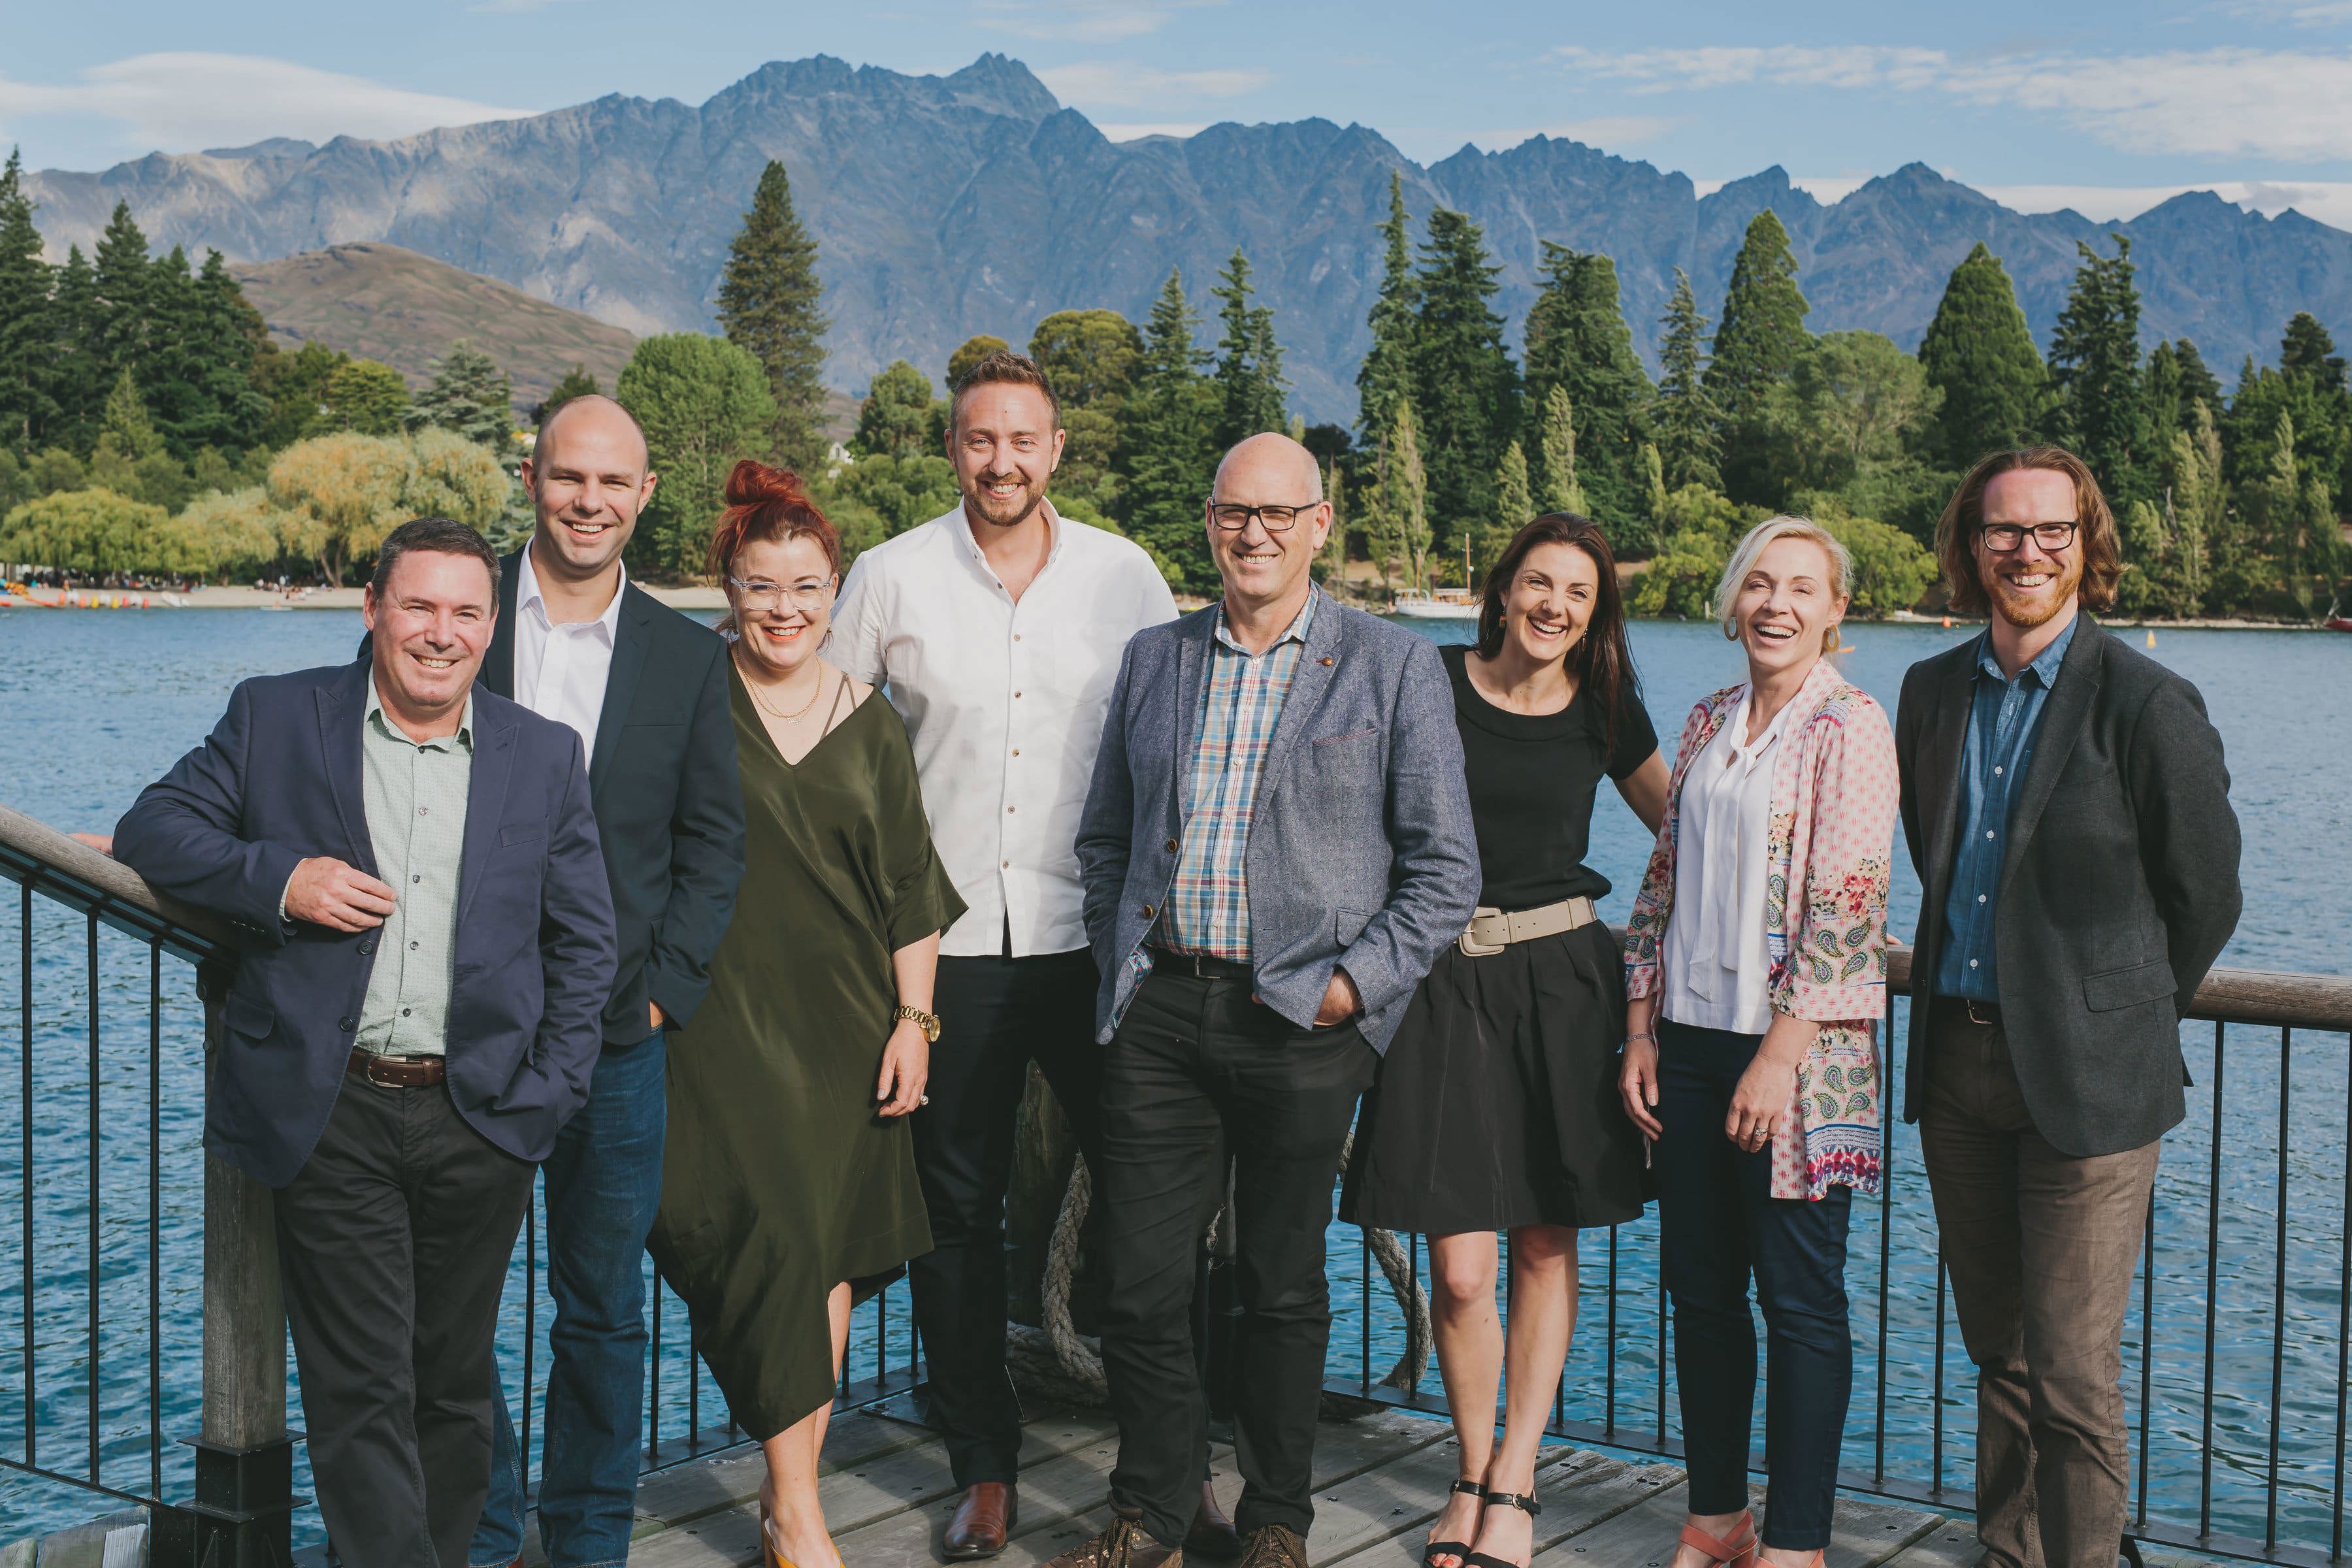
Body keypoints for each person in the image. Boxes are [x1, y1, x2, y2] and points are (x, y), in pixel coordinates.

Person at [112, 519, 616, 1568]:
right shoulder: (277, 716)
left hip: (481, 1115)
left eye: (466, 612)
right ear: (374, 609)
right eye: (420, 606)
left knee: (454, 1386)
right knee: (359, 1394)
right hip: (330, 1107)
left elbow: (584, 946)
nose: (442, 632)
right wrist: (281, 881)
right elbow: (158, 828)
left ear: (491, 626)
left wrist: (548, 1095)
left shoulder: (544, 754)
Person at [1060, 433, 1480, 1568]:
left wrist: (1354, 988)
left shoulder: (1391, 666)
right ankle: (1152, 1509)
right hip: (1160, 1011)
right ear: (1208, 521)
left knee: (1281, 1289)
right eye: (1233, 513)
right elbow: (1105, 835)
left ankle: (1276, 1520)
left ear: (1320, 523)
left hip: (1303, 1023)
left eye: (1278, 514)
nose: (1254, 534)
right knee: (1139, 1286)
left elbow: (1446, 870)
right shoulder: (1156, 659)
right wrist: (1120, 947)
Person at [828, 350, 1194, 1560]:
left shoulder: (1126, 577)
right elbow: (822, 740)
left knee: (1150, 1204)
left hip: (1099, 945)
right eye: (981, 440)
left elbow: (1183, 744)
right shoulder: (889, 578)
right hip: (947, 953)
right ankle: (983, 1468)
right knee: (954, 1218)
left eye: (1023, 441)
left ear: (1055, 452)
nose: (1003, 462)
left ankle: (1164, 1471)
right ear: (953, 450)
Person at [1895, 448, 2241, 1568]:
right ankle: (2011, 1550)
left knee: (2076, 1372)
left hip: (2090, 1089)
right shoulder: (1931, 692)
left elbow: (2205, 896)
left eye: (2052, 531)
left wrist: (2117, 1014)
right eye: (2004, 530)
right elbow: (1932, 861)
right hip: (1956, 1069)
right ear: (1971, 546)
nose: (2026, 552)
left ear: (2087, 543)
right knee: (1997, 1346)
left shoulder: (2146, 699)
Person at [647, 461, 965, 1568]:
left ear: (838, 592)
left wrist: (914, 1023)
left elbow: (912, 891)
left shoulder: (871, 723)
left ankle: (795, 1506)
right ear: (725, 589)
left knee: (823, 1254)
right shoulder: (684, 699)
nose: (784, 610)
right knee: (760, 1242)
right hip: (713, 1024)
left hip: (847, 1025)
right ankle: (798, 1506)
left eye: (807, 588)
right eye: (760, 587)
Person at [1342, 514, 1667, 1568]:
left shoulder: (1606, 709)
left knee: (1541, 1240)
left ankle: (1515, 1481)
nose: (1555, 606)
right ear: (1503, 588)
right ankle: (1470, 1465)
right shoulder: (1427, 678)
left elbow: (1689, 831)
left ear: (1595, 613)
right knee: (1461, 1267)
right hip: (1439, 984)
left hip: (1566, 984)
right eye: (1539, 583)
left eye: (1577, 593)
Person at [470, 393, 747, 1568]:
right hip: (466, 1025)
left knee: (601, 1311)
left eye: (613, 484)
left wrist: (662, 993)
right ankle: (478, 1534)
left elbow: (712, 844)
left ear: (642, 499)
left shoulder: (687, 657)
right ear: (532, 477)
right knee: (455, 1311)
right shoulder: (456, 610)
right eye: (567, 477)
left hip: (617, 1041)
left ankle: (587, 1539)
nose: (588, 501)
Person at [1616, 516, 1897, 1568]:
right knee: (1699, 1294)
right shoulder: (1702, 724)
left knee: (1800, 1303)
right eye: (1759, 586)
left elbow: (1849, 899)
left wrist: (1781, 1052)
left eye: (1801, 589)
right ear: (1734, 603)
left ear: (1836, 612)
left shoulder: (1852, 726)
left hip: (1797, 1063)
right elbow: (1661, 882)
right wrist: (1638, 1025)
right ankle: (1716, 1517)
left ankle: (1798, 1545)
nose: (1776, 605)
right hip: (1685, 1046)